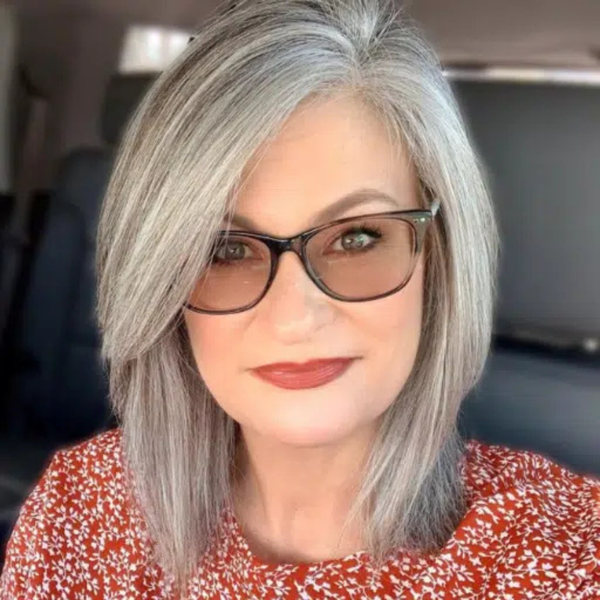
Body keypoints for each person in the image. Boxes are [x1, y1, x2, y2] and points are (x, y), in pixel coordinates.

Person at [1, 0, 599, 598]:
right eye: (225, 250)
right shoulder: (78, 511)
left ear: (438, 259)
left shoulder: (565, 557)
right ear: (161, 287)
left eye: (357, 238)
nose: (294, 317)